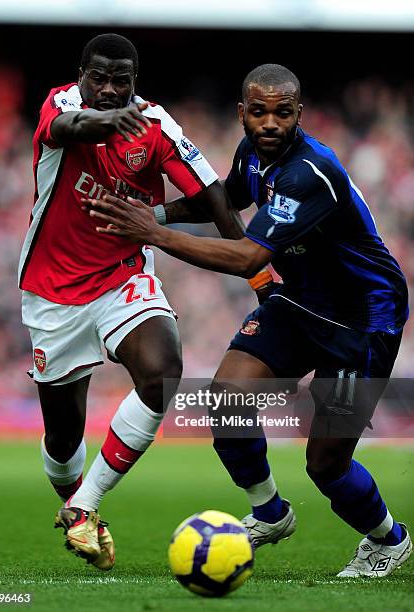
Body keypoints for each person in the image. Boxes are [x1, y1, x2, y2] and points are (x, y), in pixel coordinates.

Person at [83, 64, 412, 578]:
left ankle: (388, 539)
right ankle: (271, 513)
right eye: (258, 112)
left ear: (299, 114)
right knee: (226, 399)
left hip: (363, 320)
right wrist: (153, 213)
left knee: (326, 465)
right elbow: (229, 198)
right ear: (242, 114)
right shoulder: (253, 153)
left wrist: (152, 234)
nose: (270, 123)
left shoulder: (310, 172)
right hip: (301, 299)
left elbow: (247, 258)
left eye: (283, 112)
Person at [19, 33, 271, 571]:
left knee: (162, 373)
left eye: (122, 81)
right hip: (53, 292)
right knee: (62, 438)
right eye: (99, 78)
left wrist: (261, 274)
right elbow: (67, 128)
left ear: (136, 81)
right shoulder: (61, 104)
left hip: (123, 277)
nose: (109, 89)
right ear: (82, 76)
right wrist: (108, 122)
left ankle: (86, 503)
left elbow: (215, 199)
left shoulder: (157, 126)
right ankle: (74, 504)